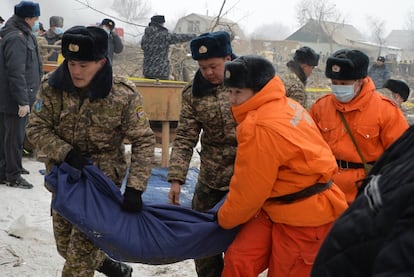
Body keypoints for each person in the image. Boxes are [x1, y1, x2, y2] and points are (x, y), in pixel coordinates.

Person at [26, 25, 155, 277]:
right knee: (65, 247)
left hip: (102, 185)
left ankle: (92, 261)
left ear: (101, 62)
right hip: (64, 180)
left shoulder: (122, 93)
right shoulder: (52, 87)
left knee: (77, 264)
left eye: (83, 65)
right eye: (71, 63)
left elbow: (144, 140)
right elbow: (35, 129)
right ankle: (111, 267)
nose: (75, 71)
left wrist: (135, 187)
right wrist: (66, 152)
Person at [217, 55, 348, 277]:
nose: (232, 99)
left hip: (306, 216)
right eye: (230, 91)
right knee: (240, 259)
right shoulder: (287, 104)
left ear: (259, 90)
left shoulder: (259, 126)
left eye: (238, 92)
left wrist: (222, 219)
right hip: (277, 206)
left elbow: (249, 192)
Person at [167, 31, 237, 277]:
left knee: (238, 250)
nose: (208, 72)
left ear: (228, 58)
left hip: (245, 180)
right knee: (203, 248)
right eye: (203, 67)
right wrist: (176, 178)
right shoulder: (193, 93)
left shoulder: (249, 84)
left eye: (214, 66)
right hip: (210, 179)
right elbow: (185, 136)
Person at [309, 49, 409, 203]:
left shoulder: (386, 111)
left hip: (363, 194)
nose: (338, 88)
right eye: (334, 83)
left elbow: (402, 158)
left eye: (344, 83)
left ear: (360, 81)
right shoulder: (321, 107)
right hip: (325, 190)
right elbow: (307, 146)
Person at [0, 0, 42, 189]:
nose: (35, 23)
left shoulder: (21, 33)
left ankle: (8, 168)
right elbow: (16, 71)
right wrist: (22, 101)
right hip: (13, 98)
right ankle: (13, 175)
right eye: (34, 19)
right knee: (13, 138)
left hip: (14, 96)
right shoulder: (17, 37)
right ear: (27, 18)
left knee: (9, 136)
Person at [141, 15, 196, 80]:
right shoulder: (164, 35)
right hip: (161, 71)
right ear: (161, 24)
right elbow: (178, 37)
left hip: (147, 71)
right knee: (162, 89)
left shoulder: (145, 36)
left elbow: (143, 46)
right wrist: (193, 36)